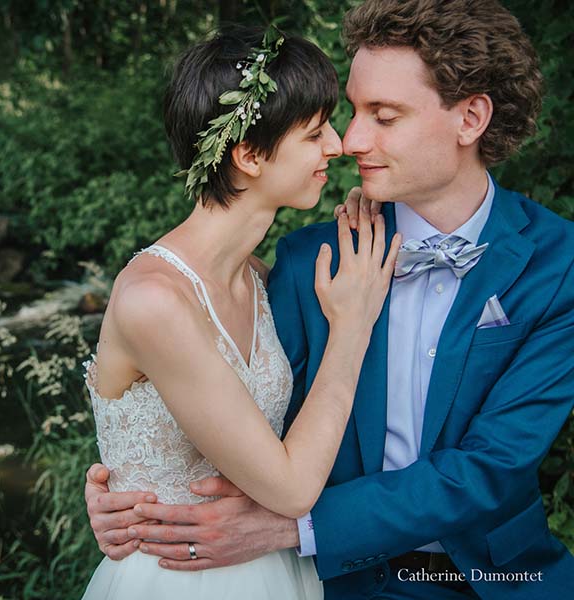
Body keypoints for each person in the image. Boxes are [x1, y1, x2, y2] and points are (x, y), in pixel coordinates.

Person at [85, 1, 574, 599]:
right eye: (350, 112)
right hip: (341, 583)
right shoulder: (305, 264)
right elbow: (229, 414)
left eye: (384, 116)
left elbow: (494, 467)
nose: (351, 141)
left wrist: (297, 528)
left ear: (470, 118)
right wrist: (130, 492)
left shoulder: (557, 264)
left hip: (502, 578)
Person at [80, 24, 401, 600]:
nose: (337, 146)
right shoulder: (154, 301)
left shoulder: (259, 277)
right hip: (178, 581)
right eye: (314, 133)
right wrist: (351, 328)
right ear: (249, 155)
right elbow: (293, 489)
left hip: (268, 563)